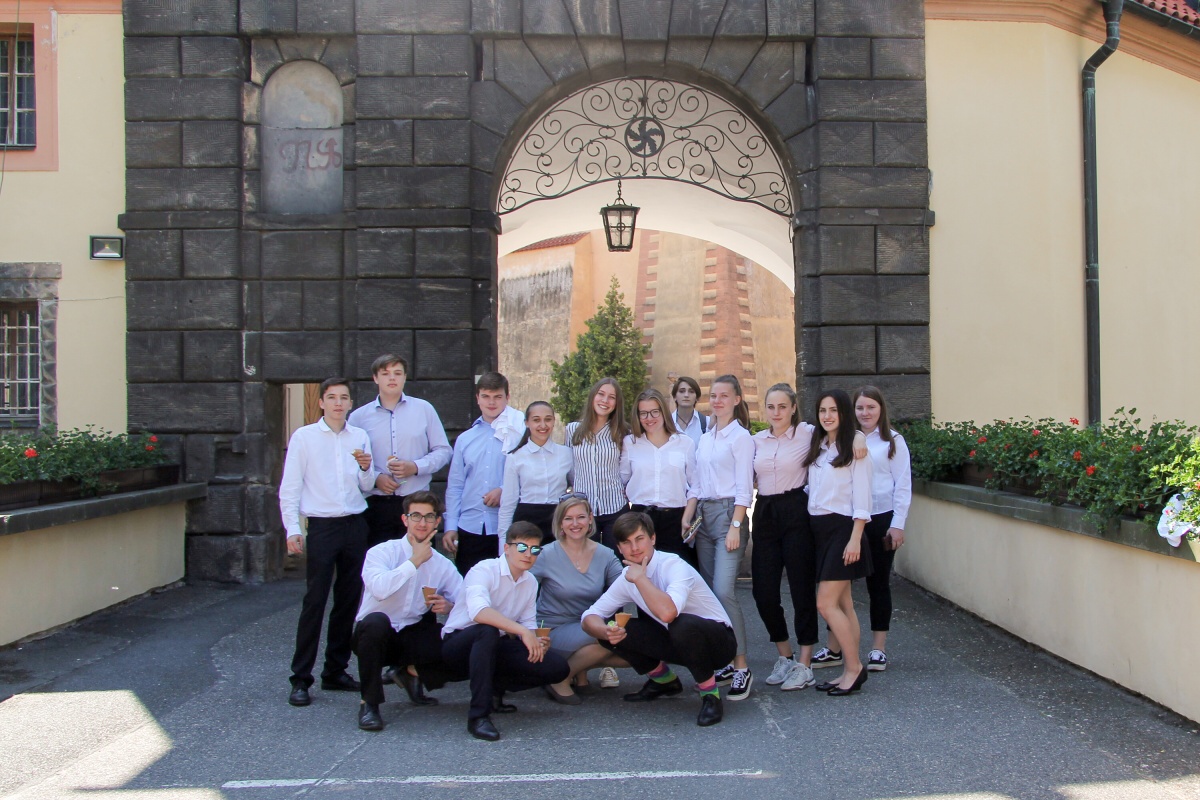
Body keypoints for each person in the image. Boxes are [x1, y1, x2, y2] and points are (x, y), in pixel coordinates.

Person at [752, 384, 868, 692]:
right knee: (767, 594)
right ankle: (790, 657)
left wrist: (859, 435)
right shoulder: (808, 443)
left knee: (813, 596)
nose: (776, 412)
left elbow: (862, 491)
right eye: (771, 406)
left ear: (794, 408)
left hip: (818, 521)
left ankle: (822, 665)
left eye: (783, 406)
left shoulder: (813, 435)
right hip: (781, 517)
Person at [582, 512, 736, 727]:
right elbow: (589, 616)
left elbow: (668, 613)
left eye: (639, 539)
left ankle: (710, 695)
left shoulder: (673, 565)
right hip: (679, 641)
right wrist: (605, 631)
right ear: (619, 548)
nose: (634, 548)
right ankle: (664, 681)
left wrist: (641, 579)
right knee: (612, 627)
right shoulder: (628, 576)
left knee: (682, 624)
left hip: (718, 644)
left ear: (653, 538)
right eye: (626, 542)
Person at [280, 377, 375, 707]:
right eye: (332, 397)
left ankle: (335, 670)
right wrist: (292, 528)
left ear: (350, 404)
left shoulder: (359, 436)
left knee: (348, 601)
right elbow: (290, 486)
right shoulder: (304, 437)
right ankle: (300, 678)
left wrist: (367, 469)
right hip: (322, 526)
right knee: (315, 601)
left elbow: (366, 485)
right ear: (321, 402)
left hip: (354, 523)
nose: (338, 403)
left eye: (344, 398)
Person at [441, 522, 571, 741]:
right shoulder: (484, 569)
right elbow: (479, 612)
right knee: (487, 631)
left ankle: (494, 688)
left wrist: (537, 641)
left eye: (534, 549)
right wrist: (522, 631)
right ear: (506, 548)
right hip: (459, 644)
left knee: (556, 667)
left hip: (495, 644)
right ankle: (478, 716)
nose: (528, 554)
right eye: (522, 547)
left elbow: (528, 624)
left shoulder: (530, 582)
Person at [817, 386, 912, 673]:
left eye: (871, 407)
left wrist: (897, 525)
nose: (865, 412)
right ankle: (834, 648)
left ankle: (878, 648)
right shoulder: (845, 439)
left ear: (881, 409)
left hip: (880, 519)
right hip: (848, 520)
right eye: (860, 407)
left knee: (878, 584)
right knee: (839, 587)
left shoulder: (893, 442)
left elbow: (903, 486)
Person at [351, 491, 463, 731]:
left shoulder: (442, 564)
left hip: (410, 634)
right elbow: (380, 589)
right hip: (374, 636)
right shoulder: (382, 552)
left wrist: (450, 606)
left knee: (457, 642)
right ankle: (369, 703)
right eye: (416, 516)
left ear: (437, 521)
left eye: (429, 517)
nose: (422, 523)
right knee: (376, 622)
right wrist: (414, 561)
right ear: (405, 520)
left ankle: (410, 671)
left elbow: (466, 600)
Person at [683, 374, 755, 700]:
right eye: (713, 395)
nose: (717, 401)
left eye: (724, 395)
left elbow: (744, 488)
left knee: (725, 591)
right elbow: (697, 483)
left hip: (728, 516)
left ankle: (742, 667)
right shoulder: (705, 437)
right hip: (704, 517)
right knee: (711, 594)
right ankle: (724, 660)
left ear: (737, 400)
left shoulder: (740, 438)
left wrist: (736, 526)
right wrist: (688, 515)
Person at [803, 389, 873, 696]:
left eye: (833, 410)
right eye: (822, 410)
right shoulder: (818, 447)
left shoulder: (855, 449)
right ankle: (850, 668)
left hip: (844, 530)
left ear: (844, 413)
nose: (827, 416)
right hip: (819, 531)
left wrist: (855, 539)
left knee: (825, 603)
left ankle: (854, 668)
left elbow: (863, 498)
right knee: (844, 604)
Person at [348, 354, 453, 548]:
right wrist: (376, 477)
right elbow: (350, 461)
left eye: (397, 373)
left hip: (418, 501)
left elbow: (443, 450)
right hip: (377, 504)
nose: (392, 378)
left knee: (421, 558)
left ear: (405, 377)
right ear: (375, 378)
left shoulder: (424, 409)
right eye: (385, 373)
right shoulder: (358, 417)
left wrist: (415, 467)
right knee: (380, 560)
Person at [531, 496, 628, 704]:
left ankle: (576, 670)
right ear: (560, 523)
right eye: (568, 518)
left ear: (590, 519)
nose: (575, 524)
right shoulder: (545, 555)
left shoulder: (605, 554)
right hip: (553, 629)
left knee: (631, 645)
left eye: (581, 517)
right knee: (606, 637)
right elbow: (522, 590)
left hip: (586, 626)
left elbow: (625, 586)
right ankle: (560, 679)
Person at [443, 372, 525, 576]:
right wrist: (451, 525)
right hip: (470, 527)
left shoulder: (519, 434)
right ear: (477, 398)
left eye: (497, 396)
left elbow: (529, 475)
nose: (491, 402)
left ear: (507, 397)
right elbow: (456, 485)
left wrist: (504, 490)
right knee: (468, 585)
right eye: (486, 396)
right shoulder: (465, 439)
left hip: (507, 526)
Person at [621, 388, 699, 568]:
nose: (649, 418)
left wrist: (686, 519)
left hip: (675, 519)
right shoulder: (630, 443)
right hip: (640, 519)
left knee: (675, 573)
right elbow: (622, 481)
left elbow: (695, 486)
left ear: (663, 412)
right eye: (643, 413)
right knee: (642, 573)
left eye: (654, 412)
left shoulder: (684, 443)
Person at [497, 401, 573, 548]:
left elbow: (578, 487)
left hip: (557, 522)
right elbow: (508, 504)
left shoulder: (566, 454)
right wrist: (503, 544)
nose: (543, 425)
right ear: (527, 423)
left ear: (554, 421)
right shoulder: (515, 457)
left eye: (548, 419)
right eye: (536, 420)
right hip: (526, 522)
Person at [565, 378, 629, 548]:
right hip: (583, 511)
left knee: (615, 559)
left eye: (611, 397)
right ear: (593, 396)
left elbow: (627, 468)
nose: (605, 400)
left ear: (617, 403)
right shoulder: (572, 430)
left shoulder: (623, 432)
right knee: (586, 559)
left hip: (615, 507)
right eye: (601, 394)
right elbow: (570, 468)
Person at [671, 376, 708, 446]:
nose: (686, 395)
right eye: (682, 391)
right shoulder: (666, 423)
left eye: (691, 391)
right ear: (675, 396)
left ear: (697, 397)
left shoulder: (707, 423)